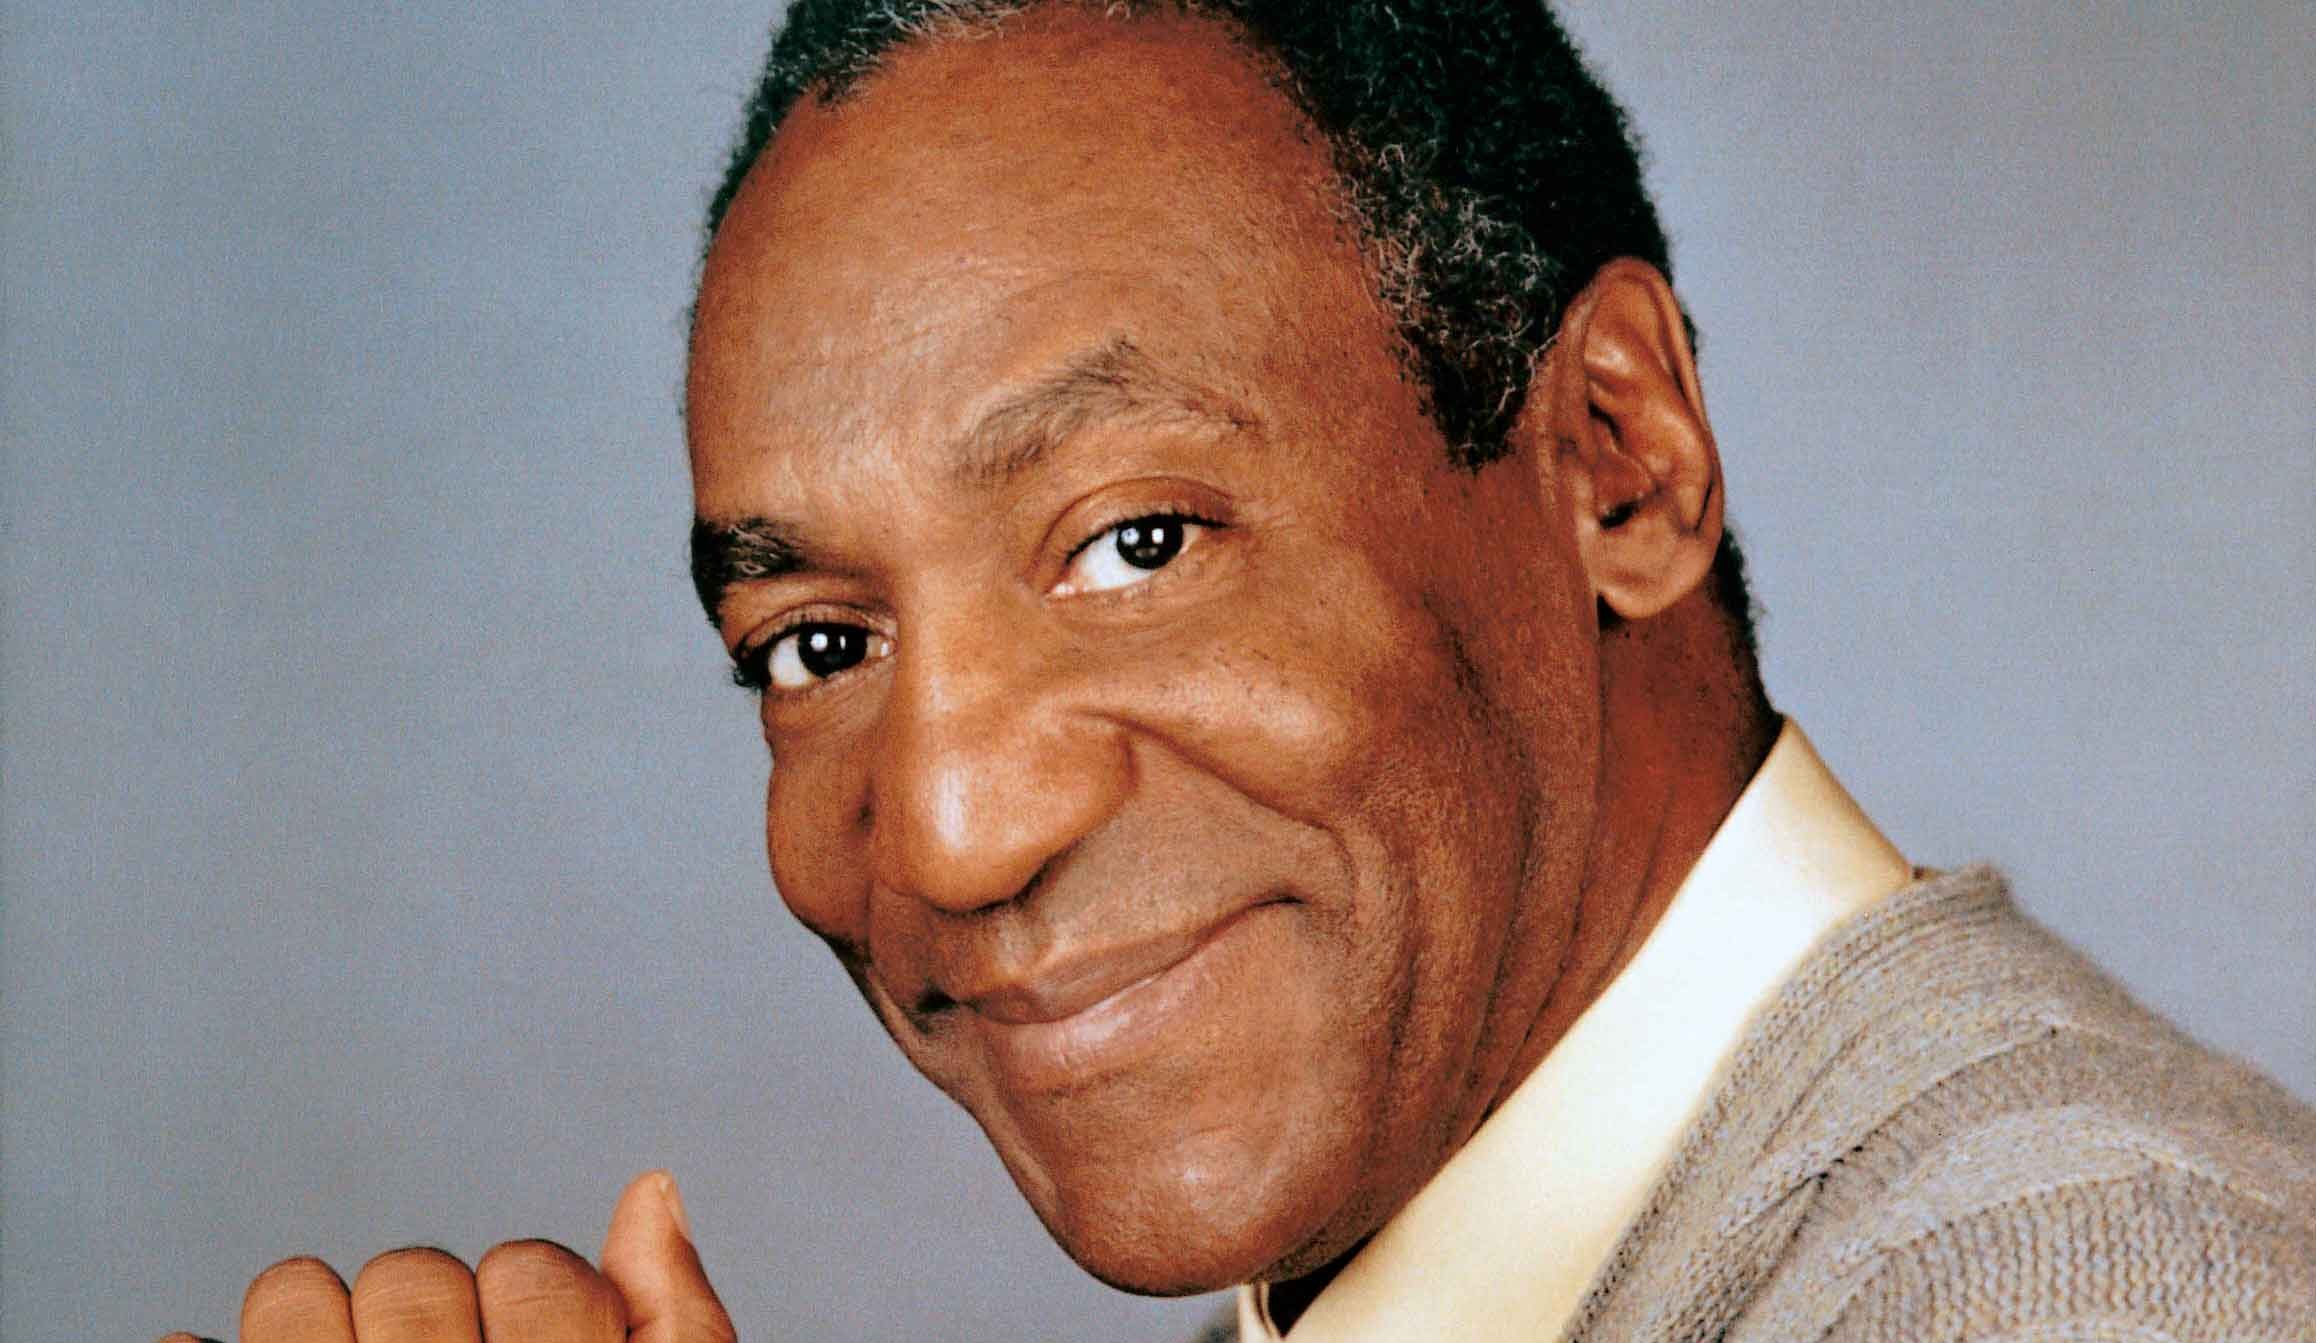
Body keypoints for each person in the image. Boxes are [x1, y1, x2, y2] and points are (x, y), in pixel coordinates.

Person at [168, 2, 2316, 1340]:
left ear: (1615, 459)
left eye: (1136, 542)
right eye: (817, 644)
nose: (952, 829)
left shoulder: (2092, 1299)